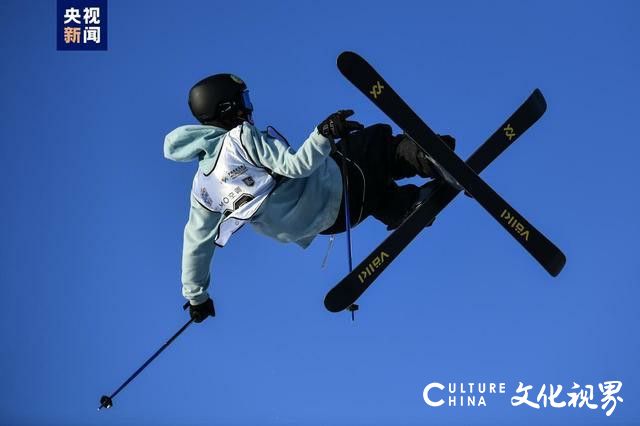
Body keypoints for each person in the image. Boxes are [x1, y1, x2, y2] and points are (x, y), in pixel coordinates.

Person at [164, 73, 455, 322]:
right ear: (228, 108)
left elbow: (196, 243)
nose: (248, 108)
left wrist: (197, 297)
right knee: (374, 144)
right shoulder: (241, 139)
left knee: (369, 182)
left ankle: (405, 207)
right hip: (338, 189)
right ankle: (428, 158)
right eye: (244, 101)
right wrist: (323, 133)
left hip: (335, 222)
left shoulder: (203, 188)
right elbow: (297, 166)